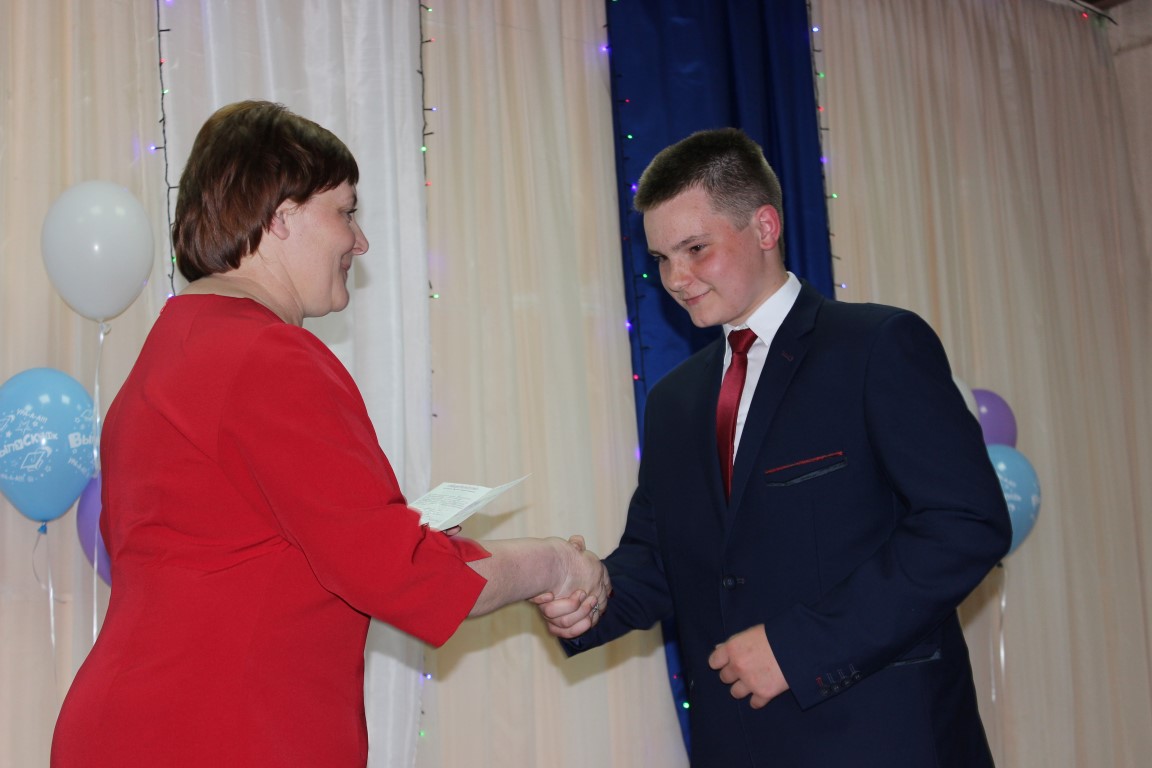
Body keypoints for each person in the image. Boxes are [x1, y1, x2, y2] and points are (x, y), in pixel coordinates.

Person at [50, 100, 609, 768]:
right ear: (281, 217)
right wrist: (554, 563)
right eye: (345, 211)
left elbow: (235, 552)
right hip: (224, 735)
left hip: (128, 727)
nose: (359, 241)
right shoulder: (268, 356)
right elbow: (403, 577)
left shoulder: (166, 350)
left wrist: (394, 534)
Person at [535, 128, 1012, 766]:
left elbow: (967, 524)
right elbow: (661, 558)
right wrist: (585, 597)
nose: (676, 278)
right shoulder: (675, 400)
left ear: (764, 227)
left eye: (695, 249)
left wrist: (798, 648)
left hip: (883, 738)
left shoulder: (876, 346)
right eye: (661, 259)